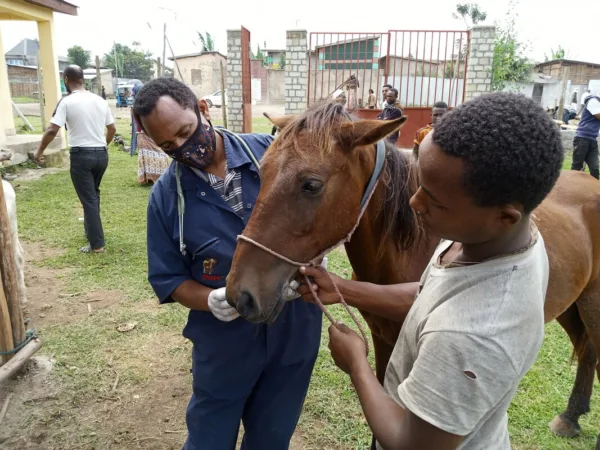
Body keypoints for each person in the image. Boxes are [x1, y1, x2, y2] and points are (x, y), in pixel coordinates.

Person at [297, 93, 563, 450]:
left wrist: (358, 365)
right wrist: (342, 289)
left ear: (505, 215)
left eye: (434, 201)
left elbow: (410, 443)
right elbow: (430, 296)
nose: (414, 202)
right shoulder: (487, 241)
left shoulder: (474, 336)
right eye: (419, 182)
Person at [133, 78, 322, 450]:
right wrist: (210, 300)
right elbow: (169, 278)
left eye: (186, 132)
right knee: (209, 436)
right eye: (168, 145)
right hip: (224, 342)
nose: (184, 148)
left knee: (272, 434)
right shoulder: (167, 197)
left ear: (203, 109)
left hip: (293, 326)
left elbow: (318, 207)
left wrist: (315, 252)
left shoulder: (270, 154)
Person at [34, 65, 115, 253]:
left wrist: (39, 152)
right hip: (101, 155)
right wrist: (103, 145)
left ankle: (97, 244)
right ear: (83, 79)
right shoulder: (99, 100)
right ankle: (92, 231)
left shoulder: (67, 102)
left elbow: (53, 129)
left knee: (89, 199)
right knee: (93, 195)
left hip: (81, 156)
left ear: (65, 79)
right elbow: (112, 129)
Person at [572, 91, 600, 179]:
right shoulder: (593, 101)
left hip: (592, 140)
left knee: (595, 169)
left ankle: (596, 191)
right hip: (582, 138)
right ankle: (572, 187)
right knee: (577, 167)